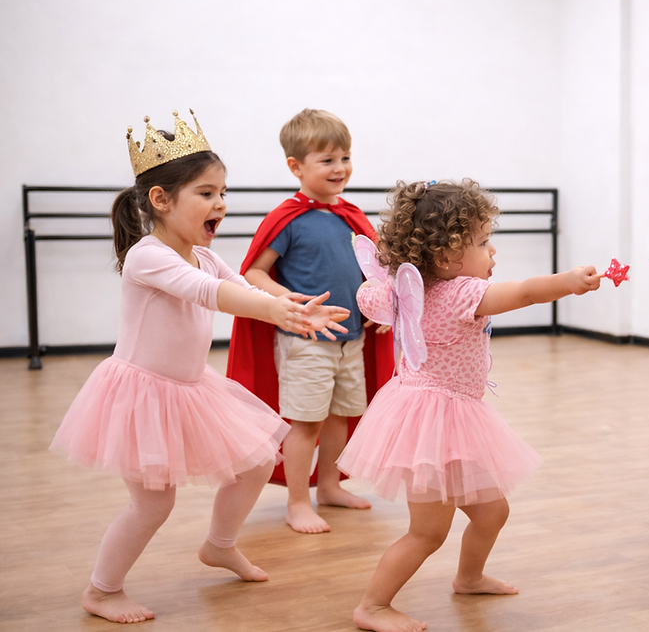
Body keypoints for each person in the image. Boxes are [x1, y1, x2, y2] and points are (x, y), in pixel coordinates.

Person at [49, 110, 350, 624]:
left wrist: (293, 306)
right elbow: (210, 295)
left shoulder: (203, 255)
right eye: (207, 193)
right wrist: (273, 310)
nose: (220, 204)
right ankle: (101, 590)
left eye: (222, 193)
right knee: (152, 506)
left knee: (256, 459)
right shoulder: (149, 256)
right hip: (143, 393)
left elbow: (245, 286)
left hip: (190, 386)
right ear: (161, 200)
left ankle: (220, 544)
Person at [337, 179, 601, 632]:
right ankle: (373, 605)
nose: (492, 251)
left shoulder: (410, 291)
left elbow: (373, 298)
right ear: (445, 257)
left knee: (492, 511)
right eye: (482, 242)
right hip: (434, 420)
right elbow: (524, 293)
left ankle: (469, 577)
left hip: (442, 416)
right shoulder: (460, 294)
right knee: (427, 532)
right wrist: (568, 283)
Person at [226, 108, 395, 534]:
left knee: (341, 416)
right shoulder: (289, 218)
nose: (340, 168)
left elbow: (373, 274)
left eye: (345, 157)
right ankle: (297, 501)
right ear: (295, 166)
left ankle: (329, 486)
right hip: (305, 341)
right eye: (327, 160)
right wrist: (290, 301)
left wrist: (381, 309)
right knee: (306, 422)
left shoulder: (351, 217)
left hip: (349, 339)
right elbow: (254, 273)